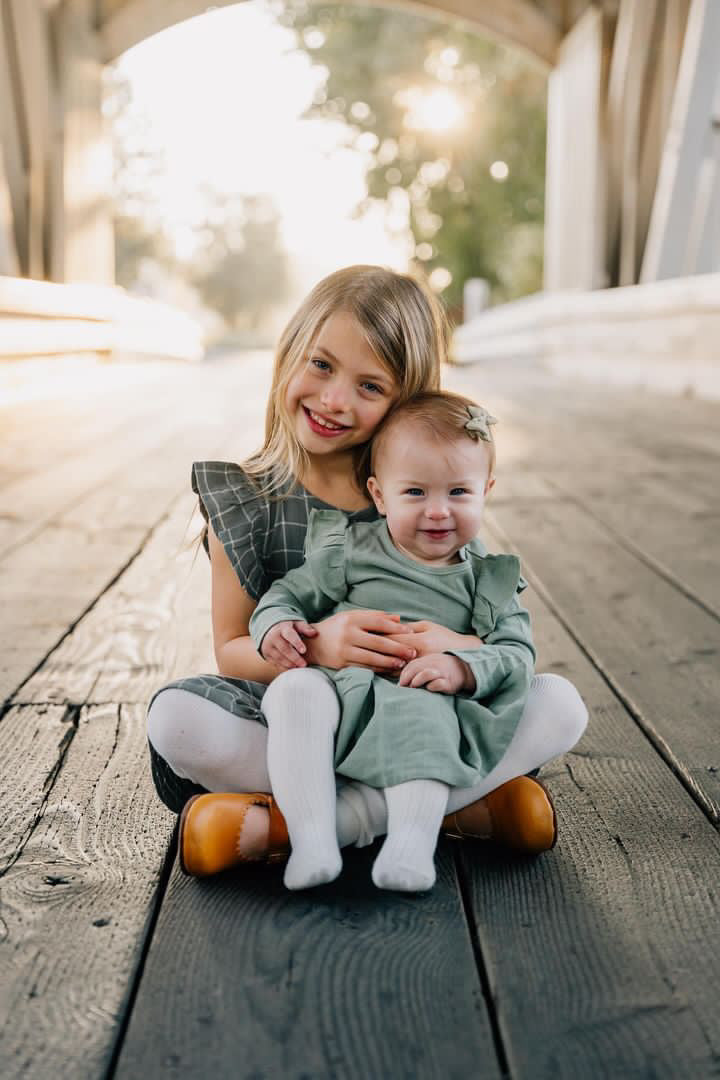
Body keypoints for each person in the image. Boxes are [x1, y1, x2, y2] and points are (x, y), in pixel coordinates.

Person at [145, 265, 587, 877]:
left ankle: (311, 824)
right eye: (321, 365)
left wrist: (456, 649)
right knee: (178, 721)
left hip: (418, 710)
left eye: (370, 386)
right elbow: (232, 651)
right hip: (300, 720)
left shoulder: (426, 502)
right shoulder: (247, 500)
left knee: (556, 705)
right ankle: (457, 812)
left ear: (407, 403)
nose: (334, 399)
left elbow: (497, 634)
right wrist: (318, 646)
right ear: (291, 351)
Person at [250, 391, 536, 892]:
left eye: (459, 493)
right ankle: (313, 839)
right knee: (293, 691)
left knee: (426, 709)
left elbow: (517, 654)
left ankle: (409, 844)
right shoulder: (351, 551)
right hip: (340, 698)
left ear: (486, 490)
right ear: (379, 496)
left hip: (419, 705)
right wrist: (276, 627)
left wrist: (462, 664)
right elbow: (286, 595)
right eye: (415, 493)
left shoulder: (487, 579)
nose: (438, 512)